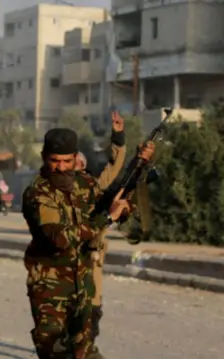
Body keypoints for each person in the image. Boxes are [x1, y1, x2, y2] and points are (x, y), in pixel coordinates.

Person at [21, 128, 134, 359]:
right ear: (44, 157)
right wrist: (108, 218)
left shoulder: (85, 183)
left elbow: (102, 210)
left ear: (75, 159)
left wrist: (122, 210)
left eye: (66, 161)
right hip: (50, 291)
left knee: (85, 352)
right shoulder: (38, 192)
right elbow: (60, 238)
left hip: (83, 286)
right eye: (55, 161)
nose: (60, 167)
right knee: (55, 354)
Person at [74, 112, 155, 359]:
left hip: (92, 255)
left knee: (94, 308)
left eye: (79, 164)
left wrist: (121, 139)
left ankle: (85, 348)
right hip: (66, 258)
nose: (74, 168)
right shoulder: (54, 191)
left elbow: (116, 169)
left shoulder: (94, 187)